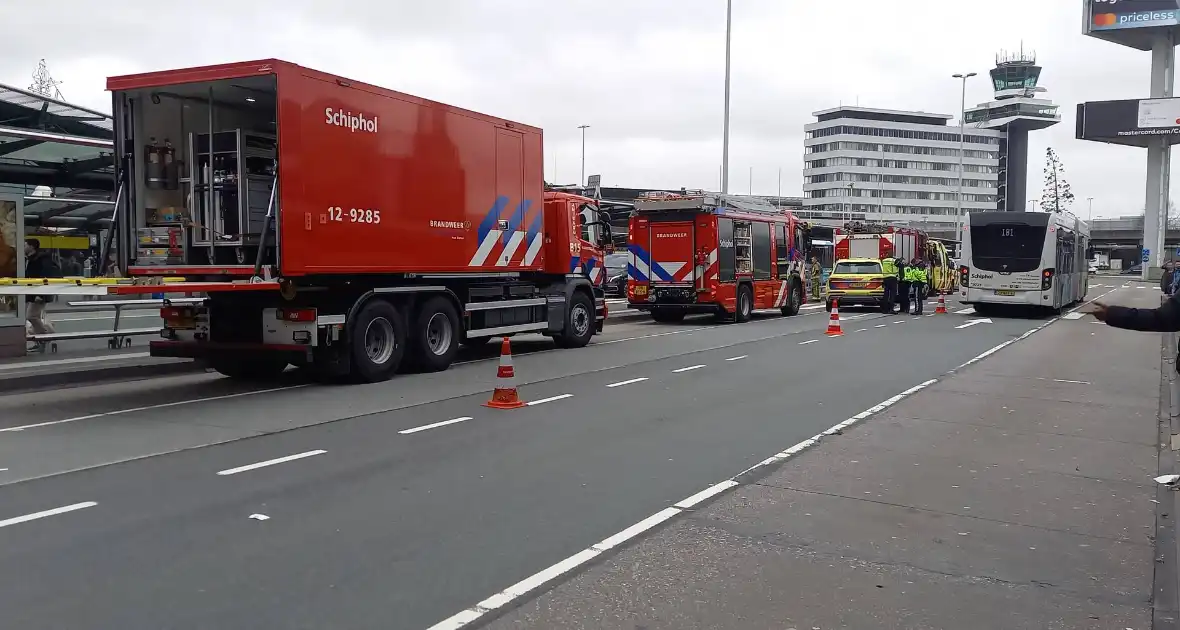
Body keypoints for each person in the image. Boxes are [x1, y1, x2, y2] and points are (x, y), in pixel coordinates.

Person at [24, 238, 60, 339]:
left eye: (25, 245)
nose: (23, 247)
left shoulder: (41, 259)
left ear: (31, 247)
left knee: (32, 316)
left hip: (39, 293)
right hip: (31, 292)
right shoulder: (30, 259)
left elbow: (44, 276)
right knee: (34, 316)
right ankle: (47, 330)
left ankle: (44, 336)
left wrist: (40, 294)